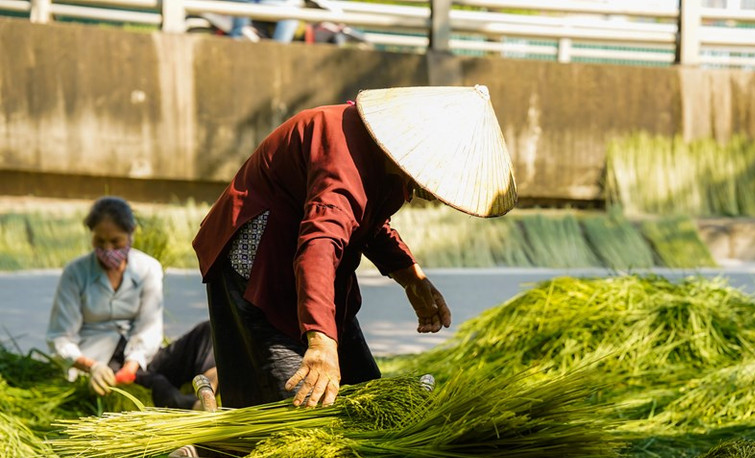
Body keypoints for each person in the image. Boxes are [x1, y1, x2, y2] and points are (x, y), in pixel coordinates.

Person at [193, 85, 517, 409]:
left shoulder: (388, 164)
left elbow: (369, 224)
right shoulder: (343, 159)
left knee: (371, 400)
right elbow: (319, 245)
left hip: (317, 276)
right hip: (261, 269)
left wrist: (412, 278)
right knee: (300, 411)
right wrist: (321, 340)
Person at [46, 196, 218, 410]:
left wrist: (132, 364)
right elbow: (59, 337)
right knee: (157, 384)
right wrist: (91, 366)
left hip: (142, 356)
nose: (108, 249)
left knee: (208, 332)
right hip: (102, 361)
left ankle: (209, 389)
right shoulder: (75, 272)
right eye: (100, 242)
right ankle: (191, 407)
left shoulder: (148, 268)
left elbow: (148, 326)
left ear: (130, 234)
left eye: (116, 242)